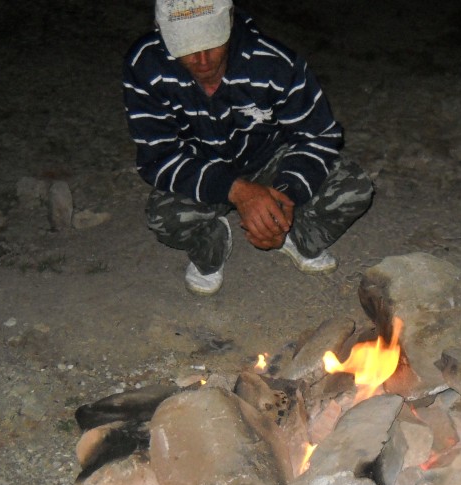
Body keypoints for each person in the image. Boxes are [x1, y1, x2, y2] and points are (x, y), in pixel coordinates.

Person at [123, 0, 374, 295]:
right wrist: (237, 191)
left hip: (270, 162)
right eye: (186, 47)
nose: (202, 60)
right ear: (161, 32)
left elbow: (319, 135)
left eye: (212, 42)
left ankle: (294, 236)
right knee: (164, 217)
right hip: (201, 168)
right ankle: (212, 244)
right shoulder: (145, 65)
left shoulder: (274, 63)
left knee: (354, 188)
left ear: (230, 21)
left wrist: (283, 201)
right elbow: (158, 156)